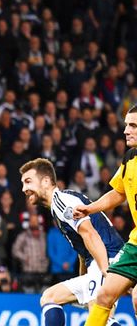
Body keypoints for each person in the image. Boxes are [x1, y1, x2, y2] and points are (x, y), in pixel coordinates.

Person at [21, 158, 123, 326]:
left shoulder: (62, 202)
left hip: (106, 259)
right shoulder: (59, 205)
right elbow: (84, 246)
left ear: (46, 181)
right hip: (100, 261)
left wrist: (106, 272)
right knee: (50, 297)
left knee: (100, 320)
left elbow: (90, 234)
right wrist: (85, 277)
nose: (24, 189)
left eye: (28, 182)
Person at [75, 106, 137, 326]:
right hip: (135, 243)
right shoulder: (130, 157)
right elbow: (118, 192)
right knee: (104, 295)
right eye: (126, 125)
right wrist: (89, 209)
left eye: (133, 126)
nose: (126, 131)